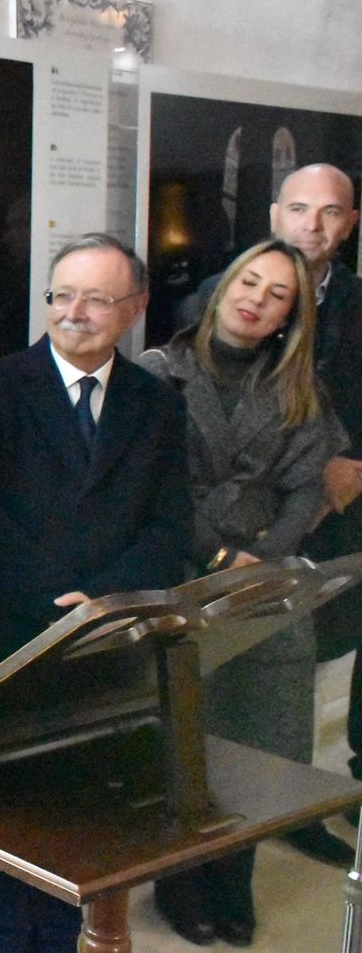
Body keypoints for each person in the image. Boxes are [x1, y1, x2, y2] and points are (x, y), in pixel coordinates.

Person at [0, 233, 191, 953]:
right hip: (5, 627)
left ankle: (56, 940)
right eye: (60, 295)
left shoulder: (158, 402)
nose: (73, 313)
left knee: (83, 793)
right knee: (0, 795)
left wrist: (107, 597)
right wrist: (59, 600)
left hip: (107, 633)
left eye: (96, 298)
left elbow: (169, 523)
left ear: (136, 309)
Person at [140, 238, 348, 949]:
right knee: (187, 741)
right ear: (224, 286)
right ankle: (181, 881)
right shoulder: (157, 372)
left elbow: (306, 489)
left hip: (267, 580)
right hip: (183, 570)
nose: (256, 298)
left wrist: (265, 558)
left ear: (290, 315)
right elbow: (156, 487)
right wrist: (223, 553)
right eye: (249, 282)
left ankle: (235, 877)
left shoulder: (297, 387)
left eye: (277, 294)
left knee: (260, 742)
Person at [176, 163, 362, 867]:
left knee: (290, 680)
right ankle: (198, 865)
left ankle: (285, 811)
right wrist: (227, 553)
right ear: (275, 214)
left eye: (331, 212)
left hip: (316, 515)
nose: (313, 225)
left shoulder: (351, 310)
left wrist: (343, 466)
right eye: (299, 208)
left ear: (349, 224)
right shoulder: (200, 318)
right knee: (208, 704)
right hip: (210, 546)